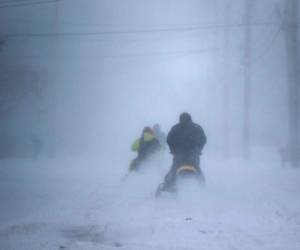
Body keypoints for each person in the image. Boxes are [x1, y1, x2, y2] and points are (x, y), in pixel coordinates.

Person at [160, 112, 207, 191]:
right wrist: (198, 149)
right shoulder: (197, 127)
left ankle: (168, 186)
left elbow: (169, 140)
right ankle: (203, 187)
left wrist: (173, 149)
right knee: (197, 168)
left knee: (174, 169)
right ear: (190, 118)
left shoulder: (176, 128)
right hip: (193, 155)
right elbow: (203, 140)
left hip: (179, 154)